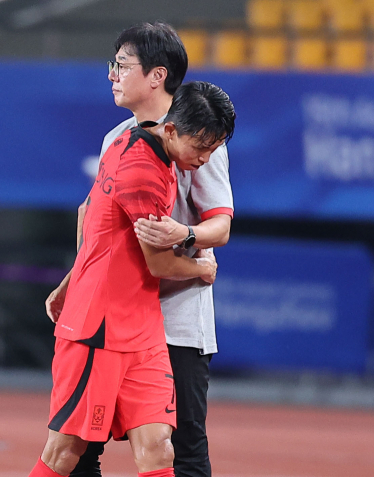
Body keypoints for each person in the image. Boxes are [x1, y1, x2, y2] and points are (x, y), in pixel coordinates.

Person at [46, 22, 235, 477]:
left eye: (121, 65)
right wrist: (75, 280)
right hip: (117, 317)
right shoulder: (119, 138)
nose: (112, 74)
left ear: (156, 75)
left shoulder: (198, 135)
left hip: (175, 322)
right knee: (80, 450)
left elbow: (220, 224)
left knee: (179, 450)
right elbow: (92, 219)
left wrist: (184, 238)